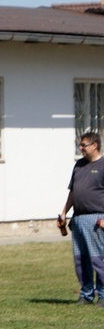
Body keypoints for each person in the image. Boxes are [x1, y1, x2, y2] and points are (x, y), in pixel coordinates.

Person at [60, 131, 104, 306]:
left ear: (95, 145)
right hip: (78, 219)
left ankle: (103, 295)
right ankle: (86, 294)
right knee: (81, 260)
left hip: (97, 220)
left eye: (84, 145)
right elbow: (73, 191)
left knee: (98, 259)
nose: (81, 148)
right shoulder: (79, 165)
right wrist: (64, 212)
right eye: (80, 145)